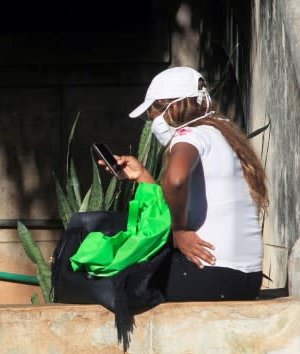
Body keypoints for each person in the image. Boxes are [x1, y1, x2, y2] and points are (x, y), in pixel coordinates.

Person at [103, 66, 267, 301]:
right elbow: (183, 193)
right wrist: (142, 177)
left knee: (109, 276)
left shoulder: (190, 135)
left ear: (176, 106)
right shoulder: (221, 135)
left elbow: (176, 180)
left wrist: (180, 231)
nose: (153, 123)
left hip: (211, 274)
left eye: (154, 114)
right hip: (245, 279)